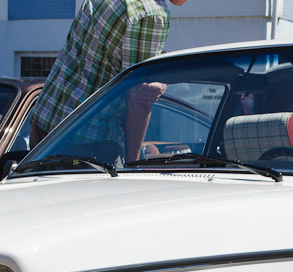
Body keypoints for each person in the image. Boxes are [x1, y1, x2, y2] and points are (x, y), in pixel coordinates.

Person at [29, 0, 188, 157]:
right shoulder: (150, 14)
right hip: (86, 142)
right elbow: (139, 97)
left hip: (45, 122)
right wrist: (133, 164)